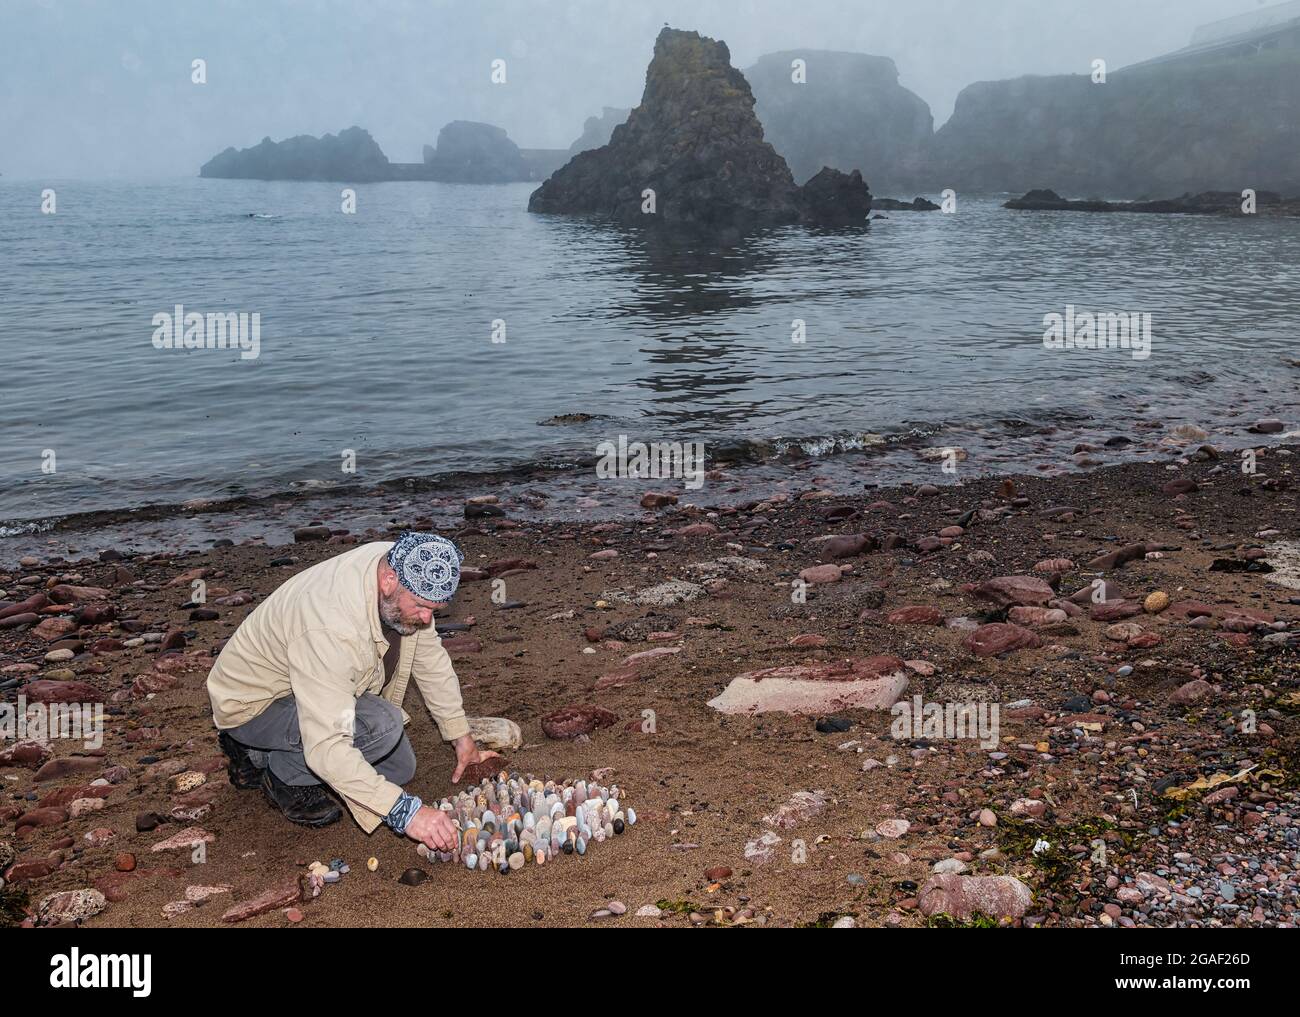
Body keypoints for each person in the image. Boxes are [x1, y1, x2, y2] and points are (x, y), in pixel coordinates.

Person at [205, 532, 498, 852]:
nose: (428, 618)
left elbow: (430, 661)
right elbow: (328, 746)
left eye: (434, 610)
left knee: (399, 769)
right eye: (420, 607)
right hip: (254, 703)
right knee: (381, 726)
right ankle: (279, 774)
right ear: (389, 581)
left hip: (309, 683)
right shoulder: (331, 626)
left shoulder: (402, 563)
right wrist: (407, 814)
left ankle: (260, 753)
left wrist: (462, 739)